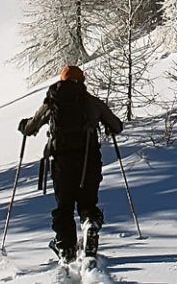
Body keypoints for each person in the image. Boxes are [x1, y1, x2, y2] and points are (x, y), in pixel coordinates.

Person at [20, 65, 124, 261]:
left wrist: (24, 126)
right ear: (81, 81)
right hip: (89, 159)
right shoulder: (92, 102)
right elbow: (116, 126)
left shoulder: (52, 102)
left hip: (61, 161)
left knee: (64, 205)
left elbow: (31, 126)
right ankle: (90, 223)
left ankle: (66, 248)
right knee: (87, 201)